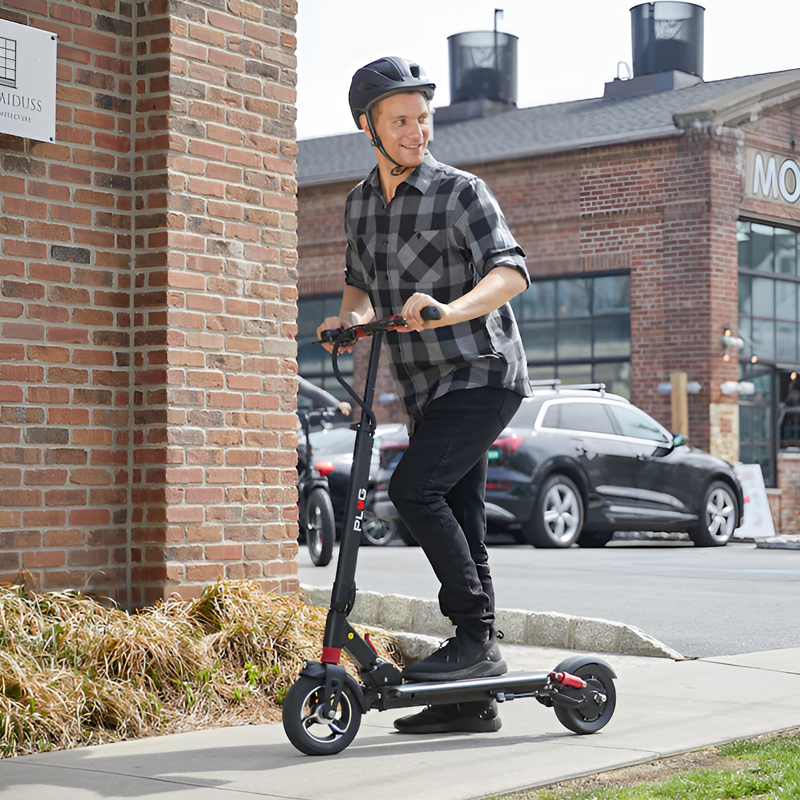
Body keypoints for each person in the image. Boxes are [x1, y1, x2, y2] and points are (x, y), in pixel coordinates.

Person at [316, 57, 531, 734]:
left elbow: (511, 272)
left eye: (423, 118)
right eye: (401, 120)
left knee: (414, 490)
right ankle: (471, 698)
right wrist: (346, 322)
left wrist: (449, 309)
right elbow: (359, 285)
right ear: (368, 126)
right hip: (423, 386)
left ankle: (475, 641)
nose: (417, 131)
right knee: (461, 516)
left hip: (483, 370)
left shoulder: (462, 192)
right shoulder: (358, 204)